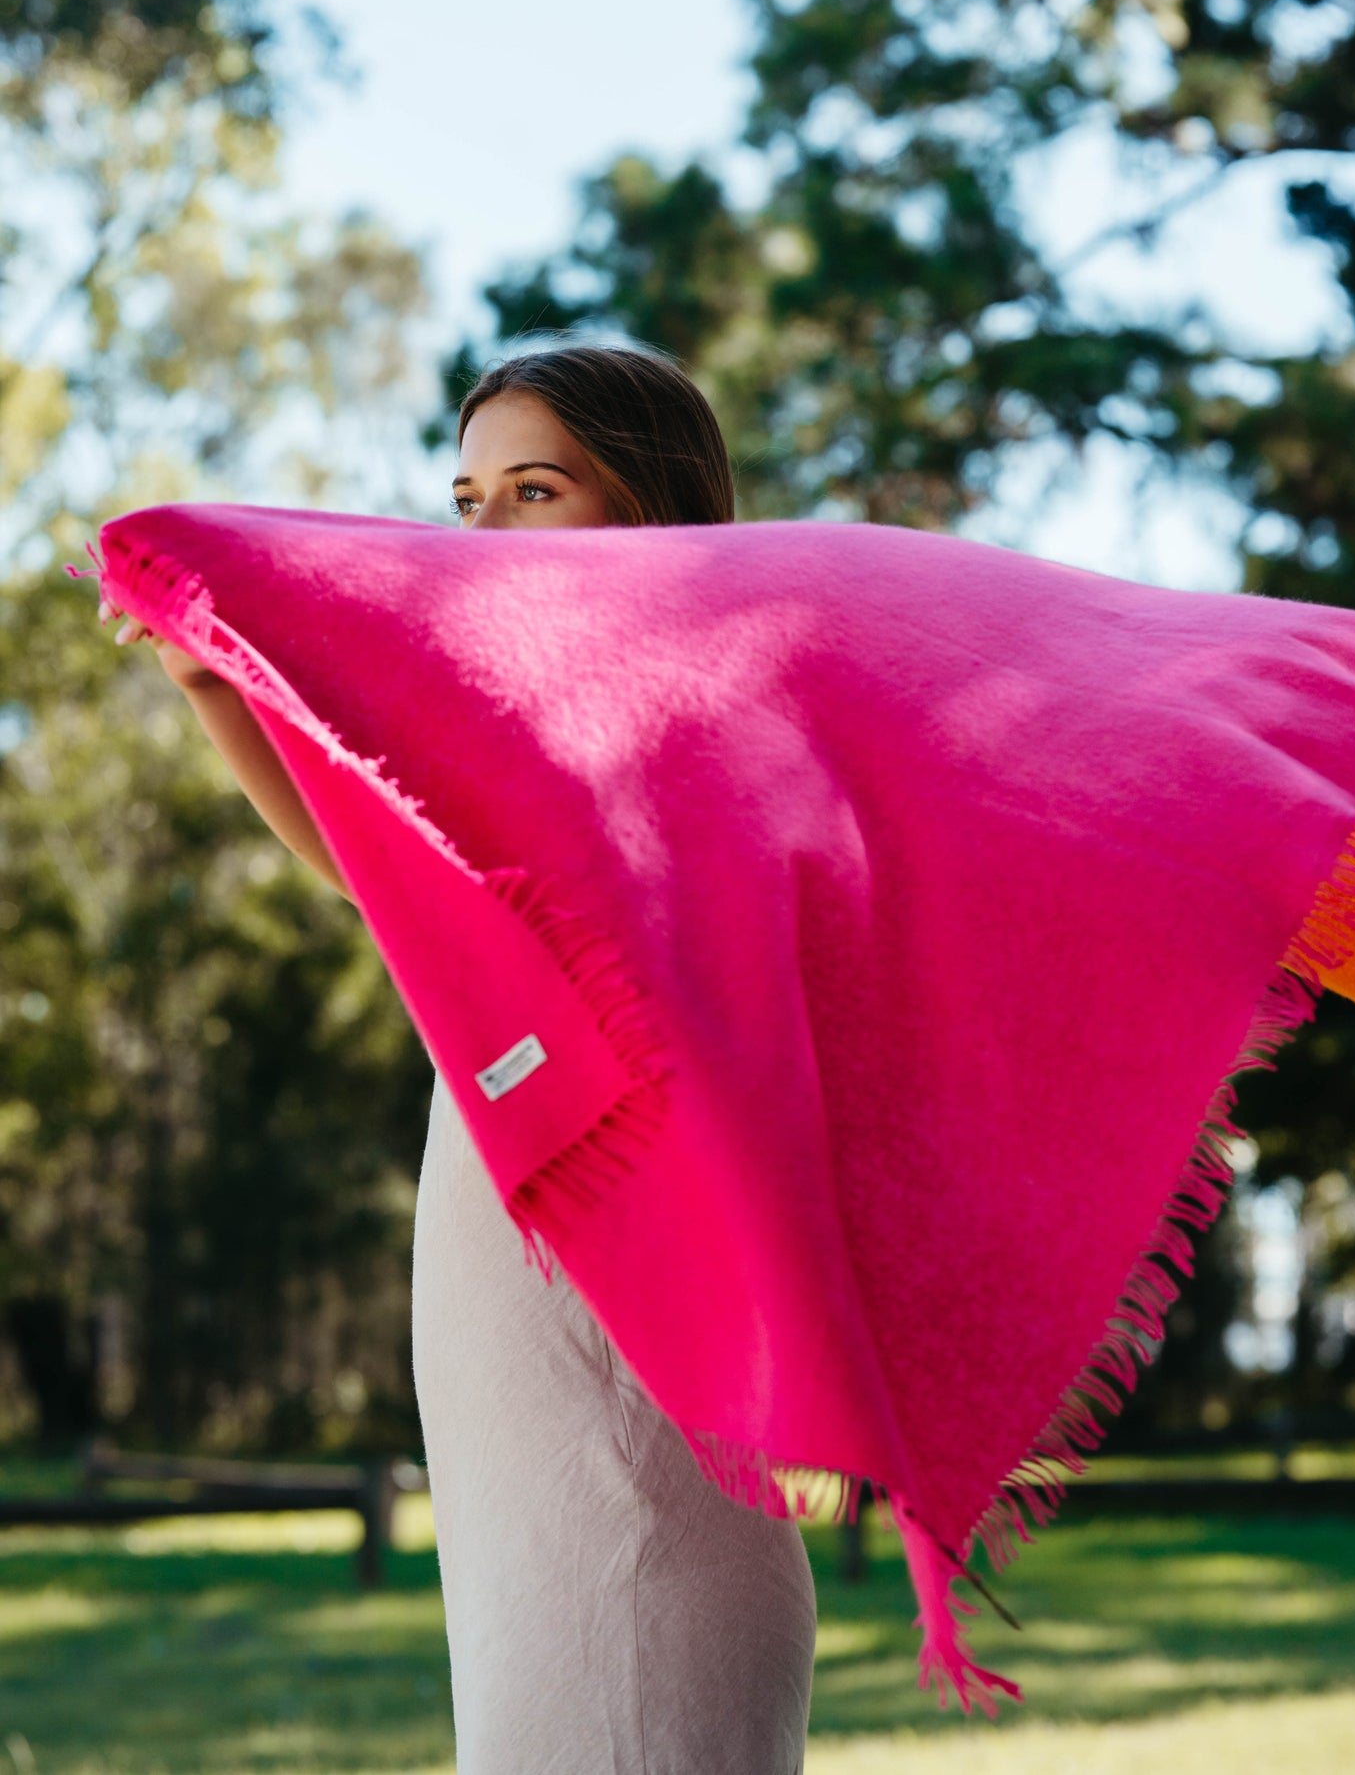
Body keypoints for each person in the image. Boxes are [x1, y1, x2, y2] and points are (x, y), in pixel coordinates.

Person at [102, 343, 819, 1775]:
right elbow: (392, 884)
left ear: (648, 509)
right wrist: (212, 685)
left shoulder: (673, 733)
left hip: (604, 1313)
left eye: (533, 489)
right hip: (509, 1280)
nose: (481, 530)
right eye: (467, 495)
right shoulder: (546, 725)